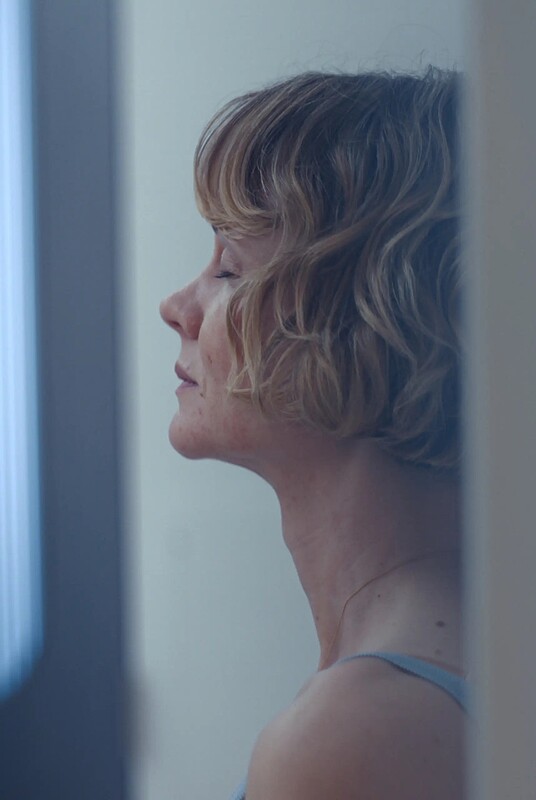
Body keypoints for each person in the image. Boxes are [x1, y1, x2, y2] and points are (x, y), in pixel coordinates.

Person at [159, 70, 465, 800]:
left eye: (229, 270)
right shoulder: (462, 651)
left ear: (360, 322)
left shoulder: (351, 739)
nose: (175, 307)